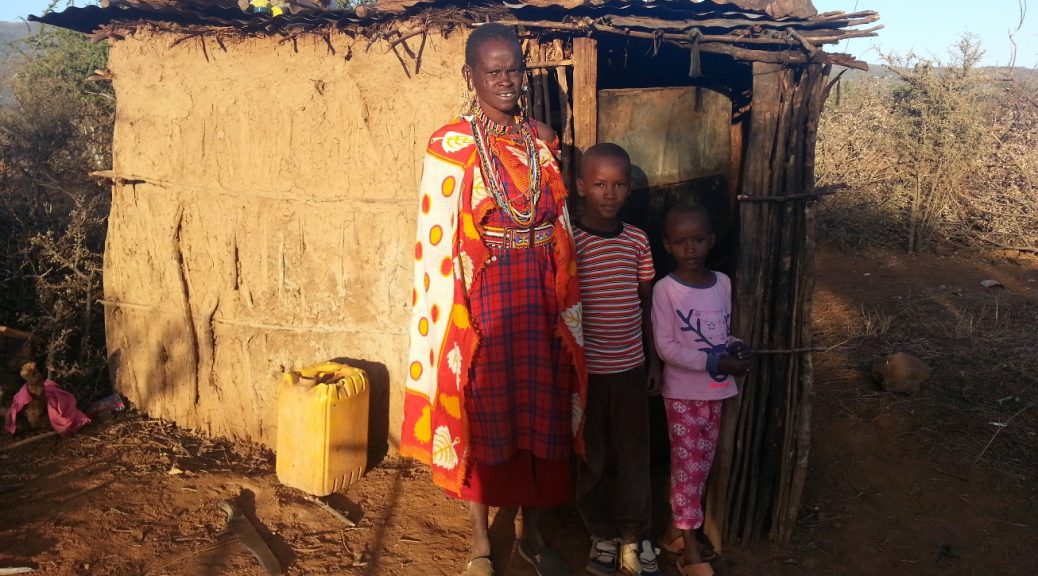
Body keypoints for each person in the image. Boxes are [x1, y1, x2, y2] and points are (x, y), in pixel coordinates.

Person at [400, 23, 587, 576]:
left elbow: (557, 223)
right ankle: (480, 542)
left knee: (541, 409)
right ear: (471, 75)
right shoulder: (451, 146)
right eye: (493, 70)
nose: (506, 81)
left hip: (540, 294)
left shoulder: (544, 139)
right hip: (482, 303)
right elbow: (437, 239)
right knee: (483, 411)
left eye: (514, 70)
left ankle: (534, 535)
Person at [571, 143, 662, 576]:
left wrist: (654, 363)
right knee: (591, 459)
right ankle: (601, 536)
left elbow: (646, 306)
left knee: (633, 459)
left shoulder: (637, 241)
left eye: (620, 184)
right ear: (581, 186)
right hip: (586, 378)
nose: (610, 193)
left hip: (629, 372)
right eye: (600, 184)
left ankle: (634, 537)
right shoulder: (569, 243)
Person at [651, 203, 752, 576]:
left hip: (717, 392)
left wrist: (736, 347)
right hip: (682, 395)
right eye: (680, 242)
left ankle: (671, 534)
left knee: (700, 468)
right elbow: (667, 349)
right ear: (667, 245)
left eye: (697, 240)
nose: (689, 249)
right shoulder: (666, 290)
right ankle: (690, 551)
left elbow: (719, 336)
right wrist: (718, 363)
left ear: (711, 240)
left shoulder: (723, 283)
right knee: (687, 468)